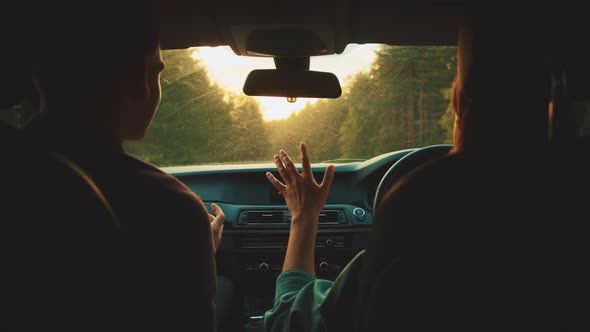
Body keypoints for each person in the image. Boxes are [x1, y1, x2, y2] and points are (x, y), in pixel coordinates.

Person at [262, 13, 560, 332]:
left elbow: (288, 322)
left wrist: (304, 217)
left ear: (459, 99)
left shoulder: (412, 239)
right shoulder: (564, 224)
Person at [24, 2, 228, 331]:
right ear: (139, 78)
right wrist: (198, 248)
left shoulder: (16, 174)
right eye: (158, 71)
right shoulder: (172, 208)